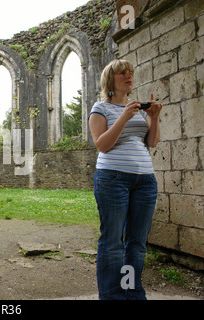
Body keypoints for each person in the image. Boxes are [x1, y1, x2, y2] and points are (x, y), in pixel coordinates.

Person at [88, 59, 162, 300]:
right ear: (111, 80)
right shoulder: (101, 108)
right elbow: (102, 145)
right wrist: (123, 117)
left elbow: (151, 142)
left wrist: (155, 117)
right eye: (122, 73)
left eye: (130, 72)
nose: (129, 75)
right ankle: (112, 296)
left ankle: (132, 292)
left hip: (145, 181)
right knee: (113, 243)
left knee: (137, 244)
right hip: (113, 179)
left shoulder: (139, 109)